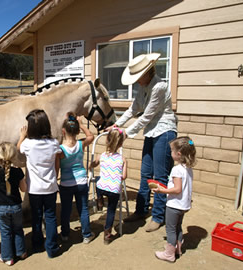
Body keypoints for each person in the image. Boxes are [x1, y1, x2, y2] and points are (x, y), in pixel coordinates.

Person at [111, 53, 178, 232]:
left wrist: (125, 133)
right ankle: (141, 210)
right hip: (151, 132)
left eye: (138, 77)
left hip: (164, 131)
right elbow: (134, 109)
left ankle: (158, 216)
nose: (137, 81)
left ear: (147, 72)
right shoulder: (144, 87)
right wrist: (115, 125)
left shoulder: (159, 87)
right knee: (145, 172)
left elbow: (146, 116)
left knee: (160, 176)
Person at [17, 109, 61, 258]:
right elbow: (57, 161)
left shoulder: (28, 144)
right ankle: (52, 247)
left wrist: (22, 136)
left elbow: (18, 148)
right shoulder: (54, 143)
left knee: (36, 217)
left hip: (34, 189)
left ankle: (36, 245)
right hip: (50, 188)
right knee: (50, 217)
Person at [152, 136, 196, 262]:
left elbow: (177, 189)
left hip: (174, 205)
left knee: (170, 229)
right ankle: (178, 249)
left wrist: (161, 190)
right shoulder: (188, 168)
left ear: (178, 154)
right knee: (178, 227)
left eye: (171, 151)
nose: (170, 153)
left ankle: (169, 254)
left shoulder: (177, 169)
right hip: (183, 205)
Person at [0, 142, 27, 266]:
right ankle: (21, 252)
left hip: (1, 208)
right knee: (18, 229)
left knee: (5, 232)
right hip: (16, 206)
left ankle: (7, 257)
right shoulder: (17, 171)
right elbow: (23, 189)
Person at [55, 112, 95, 244]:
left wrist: (56, 183)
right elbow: (91, 136)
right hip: (81, 182)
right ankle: (86, 234)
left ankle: (65, 234)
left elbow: (56, 169)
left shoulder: (60, 150)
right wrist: (82, 124)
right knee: (83, 209)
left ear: (63, 131)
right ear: (78, 131)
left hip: (66, 183)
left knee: (66, 210)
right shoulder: (81, 144)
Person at [90, 127, 127, 245]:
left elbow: (93, 165)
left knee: (98, 181)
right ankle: (107, 234)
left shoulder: (102, 156)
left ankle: (99, 200)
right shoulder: (123, 159)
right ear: (121, 144)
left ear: (107, 140)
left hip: (102, 186)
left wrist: (92, 163)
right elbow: (124, 176)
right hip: (114, 189)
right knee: (111, 210)